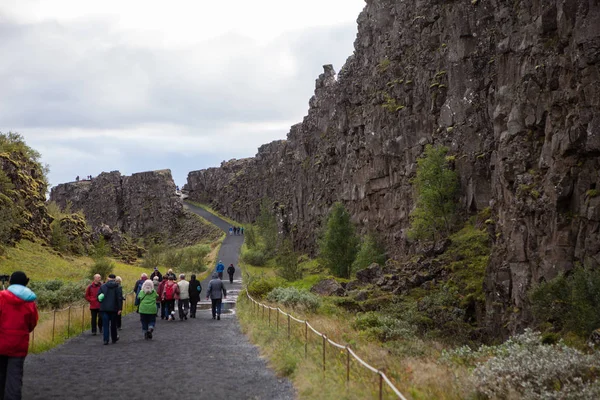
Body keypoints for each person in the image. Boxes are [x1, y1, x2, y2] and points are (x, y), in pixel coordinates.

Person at [0, 271, 38, 400]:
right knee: (15, 377)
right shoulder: (29, 302)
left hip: (1, 341)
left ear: (10, 282)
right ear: (26, 282)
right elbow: (32, 323)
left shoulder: (1, 297)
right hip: (19, 343)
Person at [97, 274, 123, 345]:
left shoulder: (102, 286)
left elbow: (99, 297)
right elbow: (119, 298)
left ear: (108, 278)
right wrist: (120, 308)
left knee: (105, 325)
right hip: (114, 309)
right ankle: (114, 338)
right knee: (113, 325)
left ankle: (106, 340)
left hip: (104, 308)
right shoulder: (118, 287)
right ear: (114, 279)